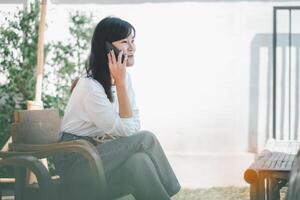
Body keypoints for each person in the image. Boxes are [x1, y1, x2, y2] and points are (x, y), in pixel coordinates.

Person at [55, 16, 181, 200]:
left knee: (140, 161)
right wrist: (120, 84)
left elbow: (133, 124)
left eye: (133, 41)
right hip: (78, 163)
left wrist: (121, 83)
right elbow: (129, 131)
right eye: (124, 41)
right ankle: (172, 189)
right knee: (146, 138)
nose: (132, 48)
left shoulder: (123, 79)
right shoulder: (89, 86)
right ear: (107, 47)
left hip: (101, 157)